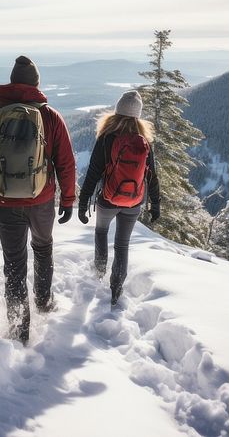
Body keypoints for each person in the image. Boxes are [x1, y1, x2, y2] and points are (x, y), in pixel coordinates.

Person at [0, 55, 77, 344]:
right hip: (42, 201)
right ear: (36, 84)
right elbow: (66, 163)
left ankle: (19, 331)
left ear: (12, 82)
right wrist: (68, 200)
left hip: (6, 203)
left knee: (14, 264)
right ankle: (43, 301)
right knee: (43, 248)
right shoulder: (50, 117)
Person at [77, 90, 161, 307]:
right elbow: (152, 176)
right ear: (137, 116)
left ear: (116, 112)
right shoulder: (144, 142)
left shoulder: (106, 138)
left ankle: (98, 273)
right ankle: (116, 290)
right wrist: (155, 204)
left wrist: (83, 202)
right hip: (134, 202)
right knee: (122, 245)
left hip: (108, 200)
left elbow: (93, 173)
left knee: (101, 233)